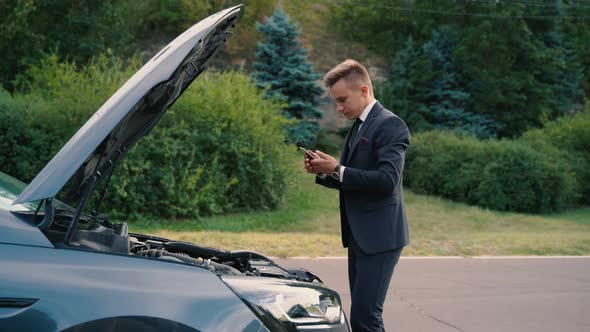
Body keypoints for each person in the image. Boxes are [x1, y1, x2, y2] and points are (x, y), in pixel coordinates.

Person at [304, 59, 410, 332]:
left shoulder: (391, 125)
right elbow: (354, 179)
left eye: (342, 100)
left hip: (380, 238)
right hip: (359, 236)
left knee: (366, 317)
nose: (339, 109)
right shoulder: (359, 125)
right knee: (362, 315)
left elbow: (387, 182)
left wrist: (337, 168)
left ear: (363, 90)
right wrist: (325, 171)